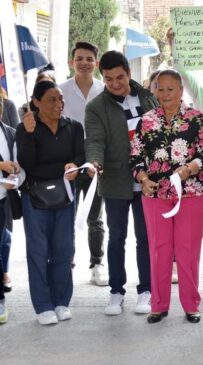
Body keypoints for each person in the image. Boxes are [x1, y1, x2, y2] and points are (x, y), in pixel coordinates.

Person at [130, 69, 203, 323]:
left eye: (170, 89)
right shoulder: (145, 121)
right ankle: (158, 304)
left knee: (188, 251)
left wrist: (189, 169)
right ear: (154, 90)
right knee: (159, 249)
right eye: (160, 89)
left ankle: (191, 305)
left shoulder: (197, 119)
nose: (165, 94)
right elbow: (135, 157)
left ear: (181, 90)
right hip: (155, 195)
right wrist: (142, 179)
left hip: (191, 192)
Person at [85, 51, 158, 316]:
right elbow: (94, 140)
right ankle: (116, 291)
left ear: (129, 73)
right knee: (116, 238)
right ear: (102, 78)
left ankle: (146, 290)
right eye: (108, 79)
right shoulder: (95, 107)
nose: (115, 83)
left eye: (120, 77)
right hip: (115, 180)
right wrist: (94, 162)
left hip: (149, 180)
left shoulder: (148, 96)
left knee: (146, 238)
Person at [17, 81, 83, 325]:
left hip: (65, 195)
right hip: (35, 197)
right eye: (51, 100)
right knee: (38, 251)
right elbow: (27, 163)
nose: (58, 104)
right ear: (36, 102)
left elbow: (80, 154)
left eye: (60, 98)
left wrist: (74, 164)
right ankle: (43, 306)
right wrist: (30, 134)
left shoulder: (73, 127)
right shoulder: (26, 127)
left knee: (64, 250)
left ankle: (61, 301)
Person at [59, 41, 107, 286]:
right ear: (72, 62)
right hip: (68, 162)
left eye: (89, 59)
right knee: (66, 215)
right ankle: (65, 263)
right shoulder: (61, 90)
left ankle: (97, 264)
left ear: (96, 63)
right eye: (79, 58)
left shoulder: (104, 90)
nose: (84, 63)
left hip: (95, 161)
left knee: (95, 216)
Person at [0, 98, 24, 323]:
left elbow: (16, 164)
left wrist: (14, 173)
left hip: (3, 197)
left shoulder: (8, 132)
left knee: (4, 240)